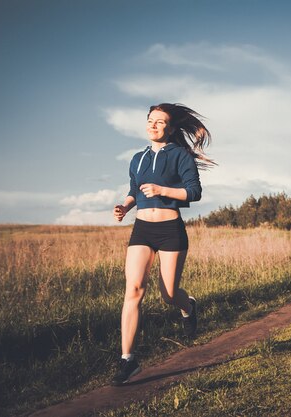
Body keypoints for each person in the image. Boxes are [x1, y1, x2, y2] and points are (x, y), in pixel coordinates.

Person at [110, 103, 213, 386]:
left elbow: (194, 191)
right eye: (150, 120)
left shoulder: (180, 155)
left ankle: (188, 307)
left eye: (160, 121)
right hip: (142, 229)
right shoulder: (137, 158)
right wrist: (125, 207)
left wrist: (162, 190)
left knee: (168, 293)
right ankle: (128, 359)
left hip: (170, 229)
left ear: (170, 127)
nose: (153, 125)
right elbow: (135, 190)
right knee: (133, 289)